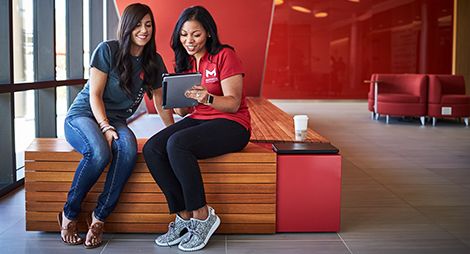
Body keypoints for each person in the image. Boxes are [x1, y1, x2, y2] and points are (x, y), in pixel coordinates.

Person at [58, 3, 173, 249]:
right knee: (99, 152)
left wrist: (171, 132)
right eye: (139, 24)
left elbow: (162, 104)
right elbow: (95, 95)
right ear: (127, 26)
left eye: (149, 24)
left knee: (129, 149)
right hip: (84, 116)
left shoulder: (153, 61)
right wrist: (104, 126)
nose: (144, 30)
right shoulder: (107, 50)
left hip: (116, 120)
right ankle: (69, 213)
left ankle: (99, 218)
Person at [143, 5, 251, 252]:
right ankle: (183, 217)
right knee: (153, 148)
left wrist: (208, 98)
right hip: (200, 119)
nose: (189, 41)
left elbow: (233, 104)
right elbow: (186, 110)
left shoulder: (225, 55)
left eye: (196, 34)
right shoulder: (187, 61)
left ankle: (202, 216)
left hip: (233, 125)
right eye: (183, 35)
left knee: (177, 144)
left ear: (208, 34)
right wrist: (177, 104)